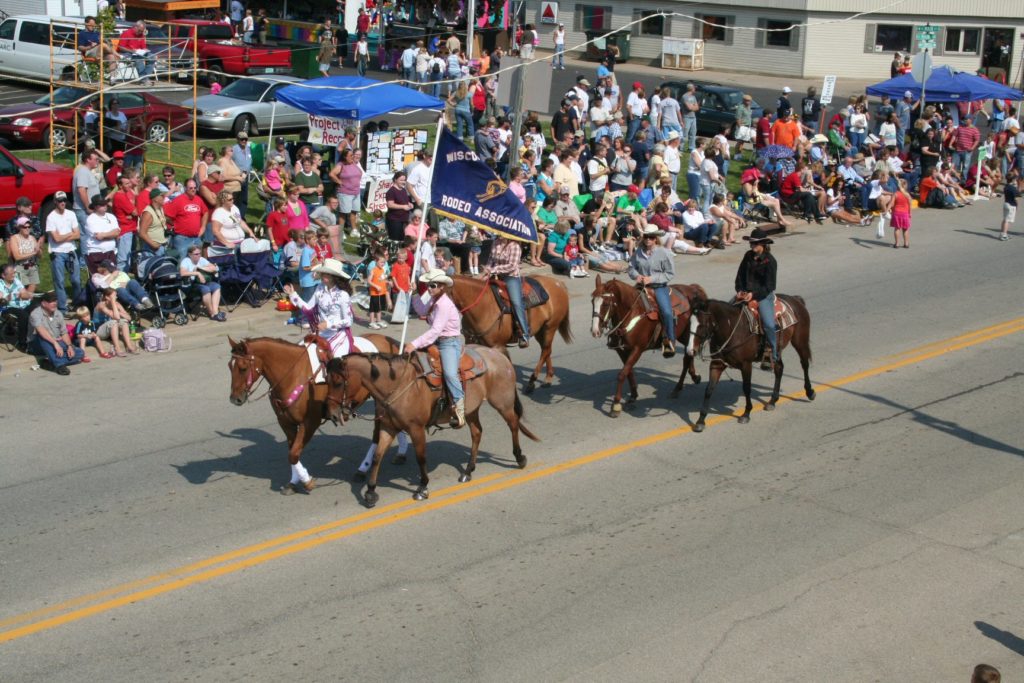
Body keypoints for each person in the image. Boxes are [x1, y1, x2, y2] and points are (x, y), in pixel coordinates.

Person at [403, 268, 466, 427]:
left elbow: (435, 330)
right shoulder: (434, 300)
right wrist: (416, 294)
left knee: (451, 374)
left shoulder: (444, 304)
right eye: (428, 285)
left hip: (448, 342)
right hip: (436, 341)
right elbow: (422, 311)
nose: (429, 288)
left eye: (433, 285)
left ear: (442, 287)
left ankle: (459, 404)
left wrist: (414, 344)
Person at [284, 258, 356, 351]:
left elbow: (349, 321)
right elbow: (308, 307)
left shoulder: (343, 295)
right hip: (321, 332)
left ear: (333, 276)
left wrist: (328, 324)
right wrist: (293, 294)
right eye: (322, 272)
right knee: (300, 349)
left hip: (337, 334)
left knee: (333, 359)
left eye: (325, 273)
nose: (322, 275)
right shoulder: (320, 288)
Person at [628, 225, 677, 358]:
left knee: (666, 312)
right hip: (641, 286)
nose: (648, 239)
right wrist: (636, 276)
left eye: (651, 237)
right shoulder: (638, 252)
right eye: (646, 237)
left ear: (656, 239)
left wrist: (652, 278)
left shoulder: (664, 252)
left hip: (658, 287)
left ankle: (670, 341)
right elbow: (631, 268)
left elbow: (670, 273)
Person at [735, 227, 779, 364]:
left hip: (763, 296)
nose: (752, 245)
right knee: (728, 312)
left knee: (769, 324)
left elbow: (769, 286)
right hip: (745, 293)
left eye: (754, 243)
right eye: (751, 243)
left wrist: (753, 295)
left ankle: (774, 352)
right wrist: (739, 289)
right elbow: (740, 275)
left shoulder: (770, 261)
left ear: (762, 244)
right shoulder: (748, 256)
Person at [483, 235, 530, 347]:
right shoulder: (495, 242)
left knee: (516, 303)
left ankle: (524, 333)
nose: (500, 233)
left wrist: (494, 270)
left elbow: (512, 266)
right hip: (495, 275)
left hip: (510, 277)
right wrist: (487, 270)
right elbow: (491, 259)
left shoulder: (515, 246)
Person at [29, 291, 86, 374]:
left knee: (80, 353)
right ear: (43, 303)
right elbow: (41, 331)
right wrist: (55, 343)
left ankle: (49, 363)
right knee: (42, 337)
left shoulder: (58, 313)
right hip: (38, 344)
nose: (54, 303)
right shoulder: (35, 314)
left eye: (55, 301)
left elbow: (64, 333)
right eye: (51, 301)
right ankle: (59, 365)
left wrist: (69, 346)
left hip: (57, 342)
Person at [179, 246, 225, 321]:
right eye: (196, 254)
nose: (199, 255)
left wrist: (200, 268)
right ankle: (212, 313)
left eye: (200, 253)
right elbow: (182, 273)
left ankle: (216, 312)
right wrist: (197, 273)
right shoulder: (186, 261)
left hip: (203, 282)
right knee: (205, 289)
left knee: (216, 286)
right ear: (190, 254)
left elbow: (214, 268)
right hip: (191, 285)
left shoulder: (201, 259)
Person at [0, 264, 34, 350]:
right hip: (7, 307)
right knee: (24, 315)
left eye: (14, 273)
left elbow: (24, 293)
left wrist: (27, 295)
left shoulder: (16, 281)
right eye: (11, 273)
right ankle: (23, 341)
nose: (13, 275)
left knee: (37, 309)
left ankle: (36, 337)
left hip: (21, 304)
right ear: (3, 275)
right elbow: (1, 301)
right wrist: (9, 297)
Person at [8, 217, 41, 291]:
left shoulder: (32, 238)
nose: (27, 228)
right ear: (19, 227)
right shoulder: (14, 238)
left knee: (30, 293)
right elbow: (17, 257)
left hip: (33, 267)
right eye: (24, 227)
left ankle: (29, 302)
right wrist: (33, 253)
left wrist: (39, 250)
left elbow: (40, 256)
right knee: (22, 292)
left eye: (29, 227)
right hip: (21, 268)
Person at [366, 250, 391, 329]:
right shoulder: (373, 270)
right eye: (381, 262)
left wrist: (388, 282)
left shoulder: (382, 270)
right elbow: (369, 281)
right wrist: (376, 286)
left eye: (384, 262)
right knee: (373, 308)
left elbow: (381, 279)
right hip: (374, 293)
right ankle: (372, 322)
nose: (383, 264)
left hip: (381, 292)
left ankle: (379, 320)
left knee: (379, 308)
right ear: (376, 261)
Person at [1000, 172, 1020, 241]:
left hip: (1006, 204)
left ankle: (1002, 233)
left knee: (1005, 219)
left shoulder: (1006, 187)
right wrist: (1017, 206)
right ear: (1013, 180)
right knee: (1007, 221)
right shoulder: (1013, 189)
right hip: (1011, 205)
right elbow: (1016, 199)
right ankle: (1004, 235)